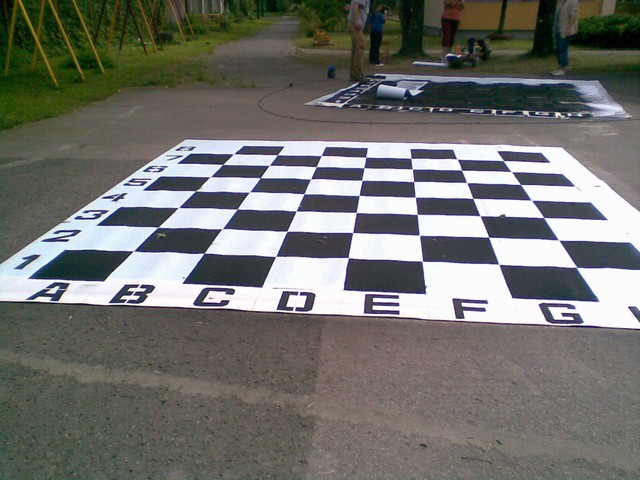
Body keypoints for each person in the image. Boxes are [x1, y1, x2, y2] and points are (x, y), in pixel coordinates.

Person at [551, 0, 579, 76]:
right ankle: (558, 67)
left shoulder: (573, 1)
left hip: (565, 30)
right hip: (559, 29)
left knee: (562, 48)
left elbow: (573, 16)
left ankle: (562, 69)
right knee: (558, 49)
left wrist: (569, 27)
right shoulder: (563, 2)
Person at [348, 0, 369, 82]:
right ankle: (357, 72)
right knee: (360, 46)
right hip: (355, 23)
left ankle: (353, 74)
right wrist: (357, 20)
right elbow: (356, 4)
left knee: (356, 48)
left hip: (354, 23)